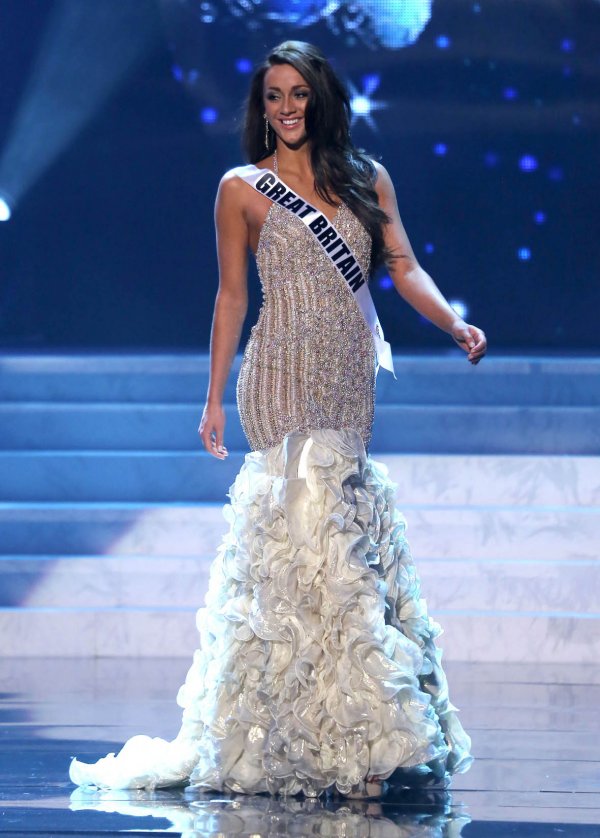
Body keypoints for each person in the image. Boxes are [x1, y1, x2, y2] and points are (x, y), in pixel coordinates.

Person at [69, 40, 485, 799]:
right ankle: (344, 737)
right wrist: (212, 396)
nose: (286, 107)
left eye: (297, 93)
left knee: (336, 543)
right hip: (280, 378)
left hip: (348, 379)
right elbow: (231, 296)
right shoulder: (241, 188)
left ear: (319, 99)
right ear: (261, 108)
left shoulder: (367, 179)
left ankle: (339, 728)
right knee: (306, 536)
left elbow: (402, 267)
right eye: (273, 96)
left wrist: (452, 323)